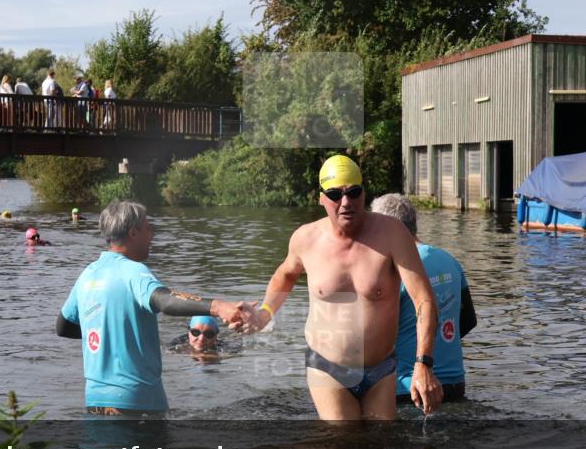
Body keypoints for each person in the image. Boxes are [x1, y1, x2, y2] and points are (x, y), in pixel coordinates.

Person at [240, 156, 441, 420]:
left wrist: (423, 363)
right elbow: (284, 276)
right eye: (335, 194)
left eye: (353, 192)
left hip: (381, 368)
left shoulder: (392, 234)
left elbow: (424, 300)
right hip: (327, 367)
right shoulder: (305, 238)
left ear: (364, 193)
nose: (345, 202)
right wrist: (265, 313)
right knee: (341, 447)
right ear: (321, 198)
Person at [56, 200, 248, 416]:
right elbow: (164, 301)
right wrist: (218, 306)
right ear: (133, 233)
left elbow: (63, 327)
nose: (152, 235)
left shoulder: (87, 274)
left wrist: (111, 333)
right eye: (148, 228)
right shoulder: (134, 272)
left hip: (95, 401)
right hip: (138, 402)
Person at [370, 194, 477, 402]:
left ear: (387, 229)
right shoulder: (450, 261)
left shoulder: (394, 271)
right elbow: (467, 321)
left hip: (408, 388)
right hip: (454, 383)